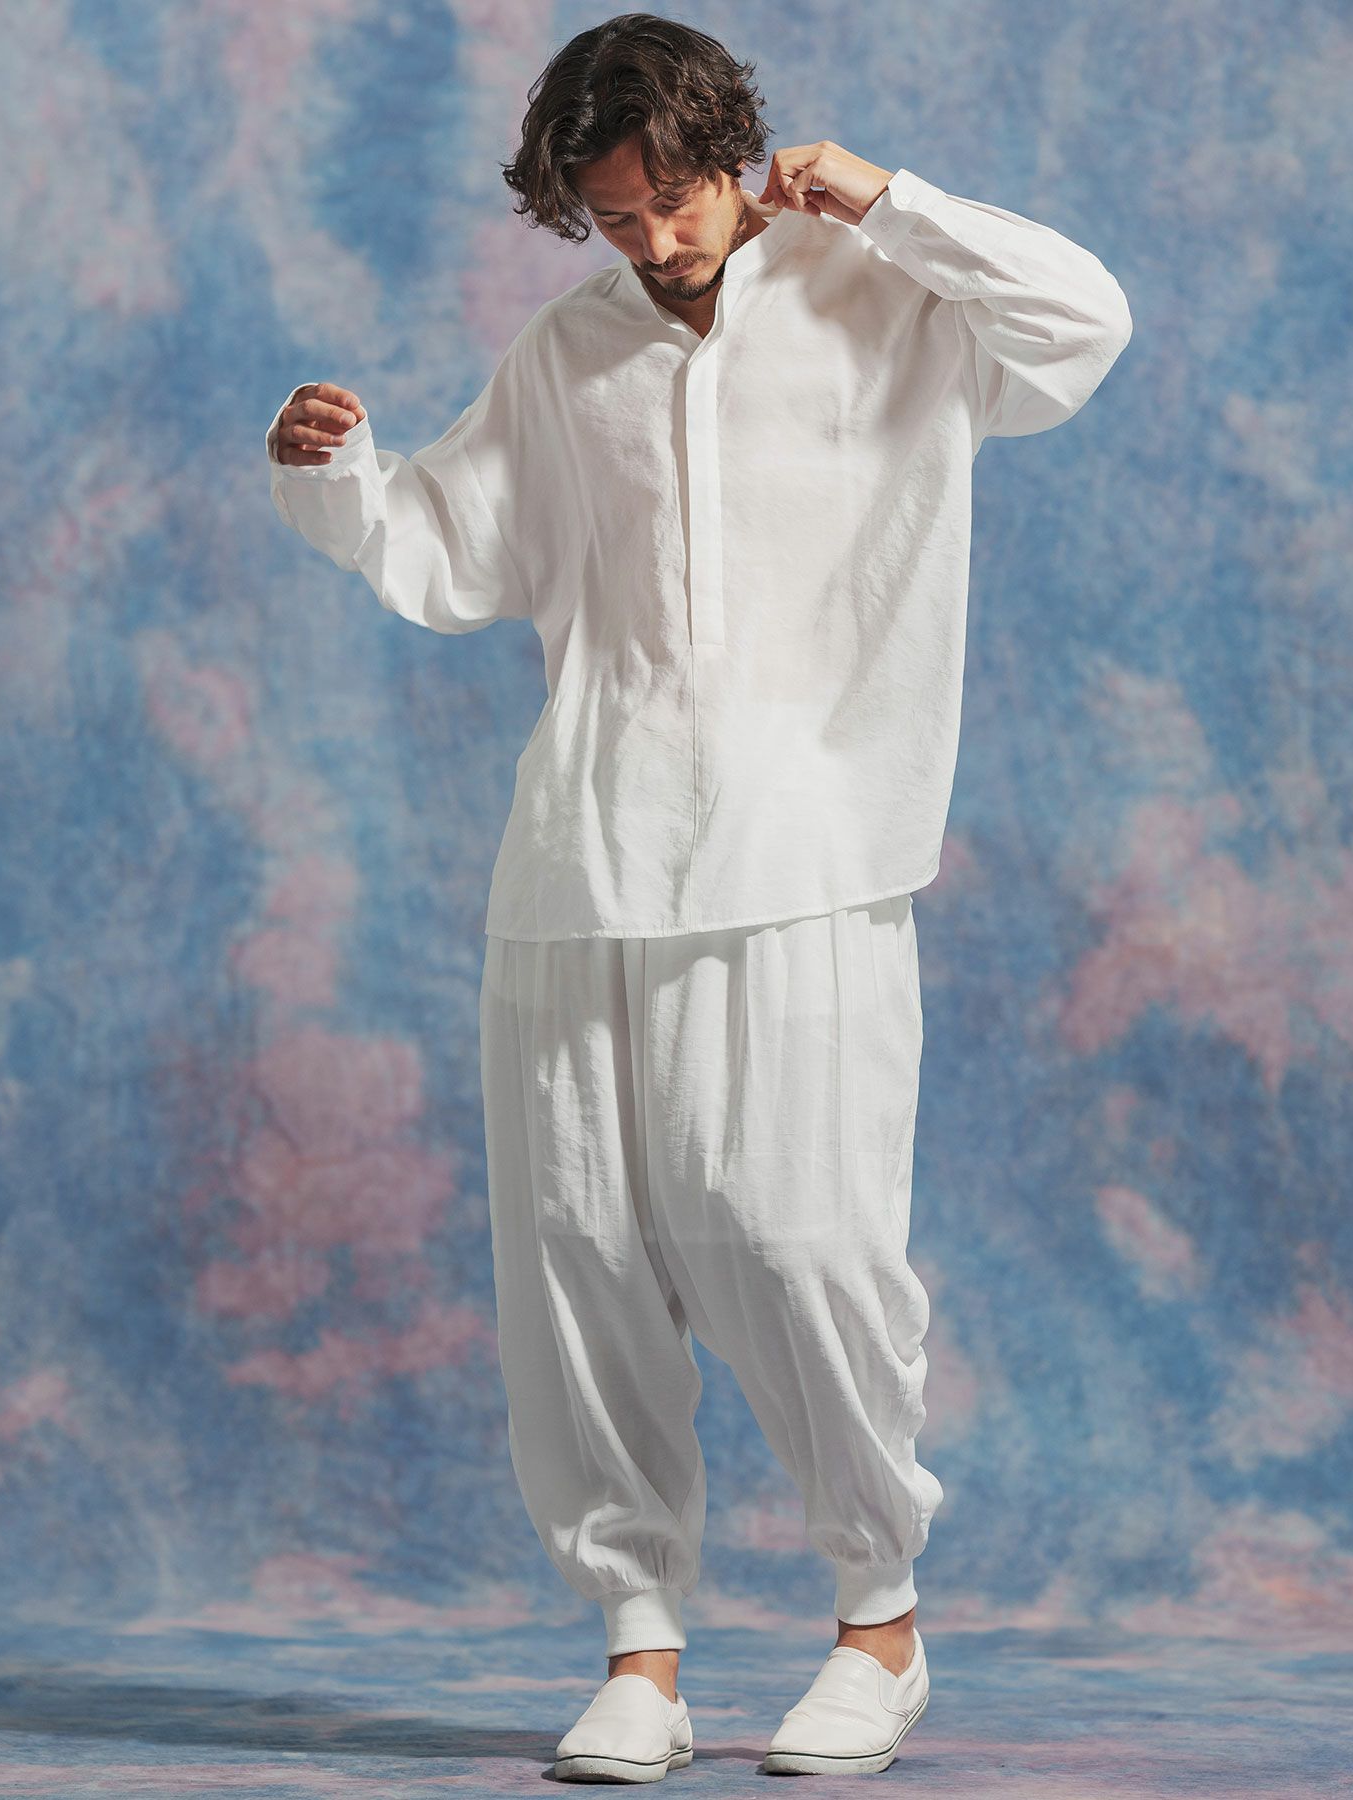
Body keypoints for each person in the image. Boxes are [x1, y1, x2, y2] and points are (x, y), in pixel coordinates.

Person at [265, 10, 1131, 1782]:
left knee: (799, 1236)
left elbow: (1084, 322)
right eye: (611, 216)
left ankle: (878, 1624)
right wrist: (337, 477)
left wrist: (889, 200)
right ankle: (639, 1652)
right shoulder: (568, 352)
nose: (650, 239)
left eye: (672, 200)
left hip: (810, 855)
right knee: (577, 1260)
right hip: (580, 859)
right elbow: (451, 548)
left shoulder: (889, 297)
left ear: (736, 155)